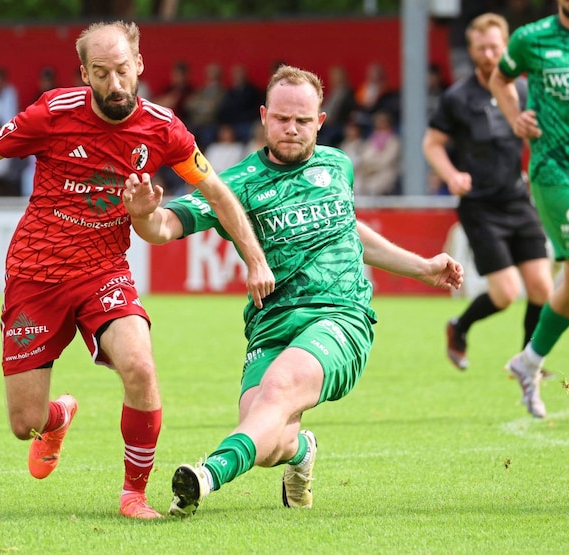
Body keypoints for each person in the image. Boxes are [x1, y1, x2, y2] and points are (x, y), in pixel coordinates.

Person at [0, 21, 274, 520]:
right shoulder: (51, 113)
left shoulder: (164, 128)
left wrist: (255, 258)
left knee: (140, 367)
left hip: (103, 270)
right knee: (25, 423)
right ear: (85, 72)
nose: (115, 84)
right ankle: (58, 416)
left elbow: (218, 193)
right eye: (102, 73)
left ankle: (134, 494)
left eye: (123, 71)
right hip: (35, 272)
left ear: (140, 66)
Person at [122, 65, 463, 518]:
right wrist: (143, 214)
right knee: (268, 440)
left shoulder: (337, 165)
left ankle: (207, 475)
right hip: (270, 325)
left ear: (320, 122)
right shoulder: (237, 184)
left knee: (279, 389)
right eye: (282, 118)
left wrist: (421, 268)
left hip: (339, 316)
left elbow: (348, 231)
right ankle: (301, 450)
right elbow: (164, 227)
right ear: (264, 117)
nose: (291, 129)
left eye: (303, 121)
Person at [422, 13, 553, 374]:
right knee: (506, 294)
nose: (489, 53)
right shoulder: (457, 97)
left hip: (517, 198)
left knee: (543, 288)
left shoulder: (524, 89)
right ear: (471, 50)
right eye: (481, 48)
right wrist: (451, 174)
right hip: (480, 206)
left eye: (496, 46)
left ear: (507, 46)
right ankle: (459, 326)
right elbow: (431, 144)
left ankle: (529, 363)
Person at [489, 0, 569, 419]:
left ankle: (529, 361)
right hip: (554, 168)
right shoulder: (531, 38)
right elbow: (499, 78)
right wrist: (515, 117)